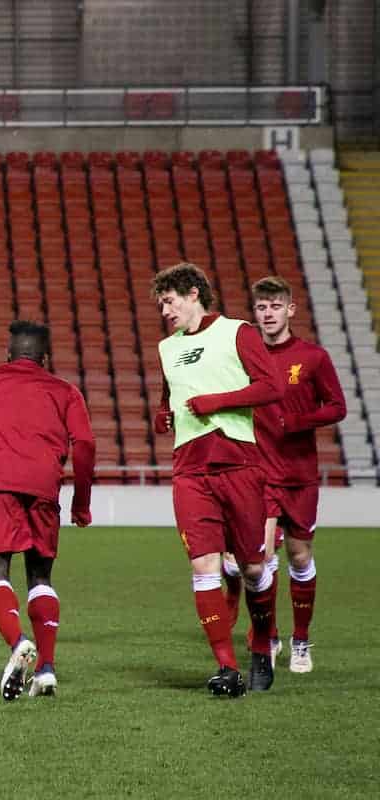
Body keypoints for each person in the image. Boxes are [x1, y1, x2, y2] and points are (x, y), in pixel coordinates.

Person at [152, 263, 284, 697]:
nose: (164, 309)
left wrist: (217, 402)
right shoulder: (167, 348)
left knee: (251, 567)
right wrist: (163, 415)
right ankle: (226, 667)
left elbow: (271, 387)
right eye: (161, 303)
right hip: (190, 470)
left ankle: (262, 644)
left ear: (193, 294)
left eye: (169, 300)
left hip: (239, 464)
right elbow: (169, 396)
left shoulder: (237, 332)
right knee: (204, 565)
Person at [0, 321, 96, 701]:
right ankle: (46, 668)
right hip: (44, 486)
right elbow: (85, 444)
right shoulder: (65, 391)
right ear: (45, 359)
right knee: (40, 577)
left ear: (8, 355)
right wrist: (81, 502)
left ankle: (17, 642)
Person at [225, 276, 344, 674]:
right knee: (259, 559)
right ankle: (269, 636)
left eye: (276, 306)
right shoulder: (246, 357)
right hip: (259, 474)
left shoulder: (313, 357)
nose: (268, 314)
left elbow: (337, 406)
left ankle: (301, 640)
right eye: (261, 307)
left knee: (299, 554)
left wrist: (300, 420)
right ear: (254, 313)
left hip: (300, 475)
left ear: (290, 310)